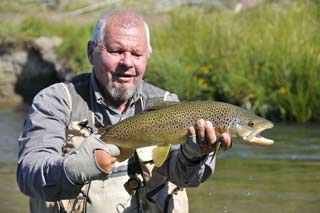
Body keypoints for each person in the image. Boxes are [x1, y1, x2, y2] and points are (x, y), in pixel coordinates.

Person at [17, 10, 232, 213]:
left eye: (137, 54)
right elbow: (28, 174)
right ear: (91, 52)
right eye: (116, 51)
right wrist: (72, 170)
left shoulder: (167, 104)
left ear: (147, 58)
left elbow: (186, 179)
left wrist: (194, 155)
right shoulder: (57, 101)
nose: (127, 63)